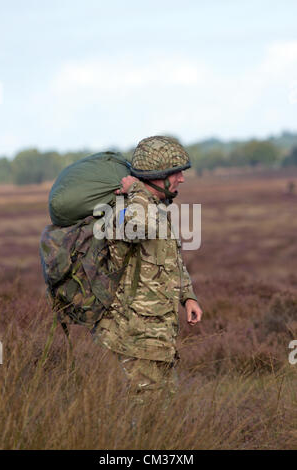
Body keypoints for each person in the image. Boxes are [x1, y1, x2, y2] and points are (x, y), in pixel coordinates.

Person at [93, 136, 202, 405]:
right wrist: (137, 191)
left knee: (163, 403)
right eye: (176, 172)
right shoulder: (123, 210)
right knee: (148, 408)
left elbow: (170, 260)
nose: (182, 179)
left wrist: (188, 296)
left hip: (158, 331)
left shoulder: (154, 209)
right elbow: (139, 228)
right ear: (157, 175)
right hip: (136, 331)